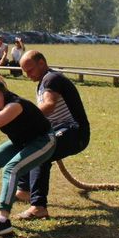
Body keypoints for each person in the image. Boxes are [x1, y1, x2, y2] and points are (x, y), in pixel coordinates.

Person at [0, 76, 54, 238]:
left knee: (11, 169)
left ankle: (2, 221)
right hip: (22, 142)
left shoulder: (15, 105)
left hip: (43, 141)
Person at [14, 51, 90, 220]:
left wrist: (22, 116)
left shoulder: (51, 79)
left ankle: (38, 207)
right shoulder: (43, 81)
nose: (28, 75)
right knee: (29, 145)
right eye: (25, 72)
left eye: (30, 70)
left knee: (40, 153)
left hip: (75, 132)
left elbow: (49, 105)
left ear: (41, 63)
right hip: (60, 130)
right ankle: (24, 191)